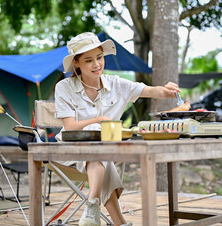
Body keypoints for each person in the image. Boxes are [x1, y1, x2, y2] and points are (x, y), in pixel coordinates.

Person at [54, 32, 181, 226]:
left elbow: (149, 90)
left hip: (109, 151)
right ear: (77, 63)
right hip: (72, 151)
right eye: (89, 60)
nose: (97, 65)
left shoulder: (116, 84)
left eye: (99, 57)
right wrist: (98, 120)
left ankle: (93, 205)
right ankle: (118, 222)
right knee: (100, 137)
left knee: (102, 148)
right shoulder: (64, 87)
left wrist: (166, 91)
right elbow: (69, 126)